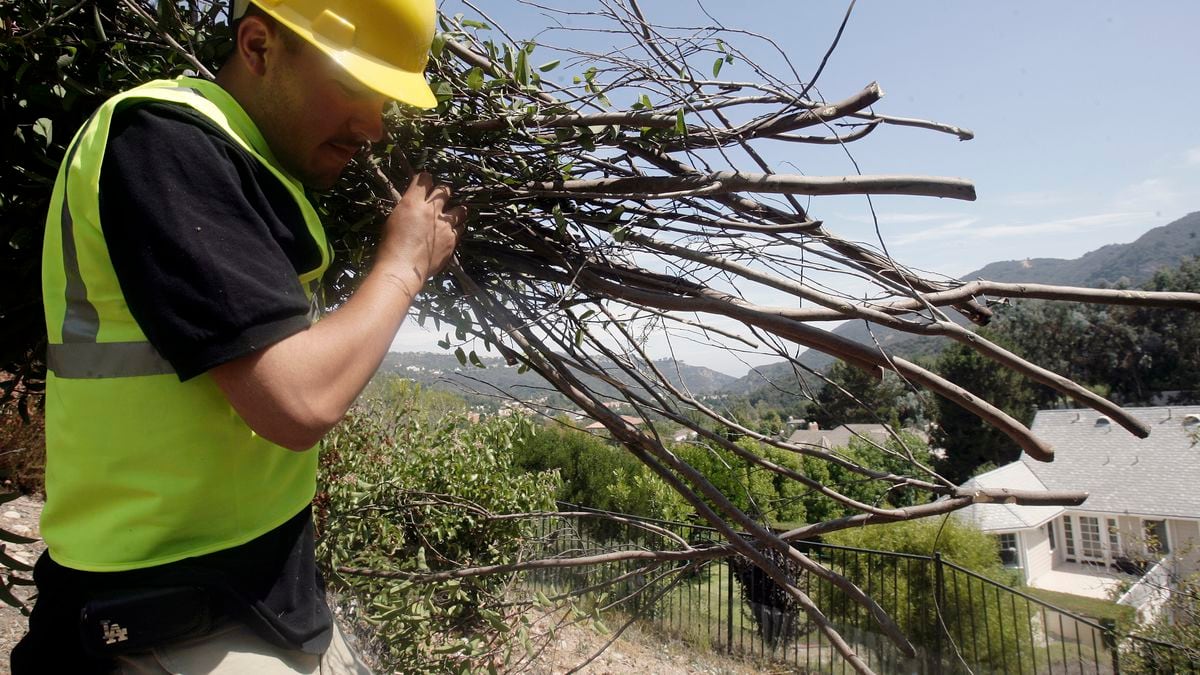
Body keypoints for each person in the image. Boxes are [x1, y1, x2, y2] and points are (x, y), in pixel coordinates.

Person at [12, 0, 463, 672]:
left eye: (383, 100)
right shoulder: (163, 143)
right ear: (257, 46)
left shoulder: (249, 162)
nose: (372, 126)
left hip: (250, 590)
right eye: (352, 87)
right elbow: (297, 400)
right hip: (158, 606)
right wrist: (402, 265)